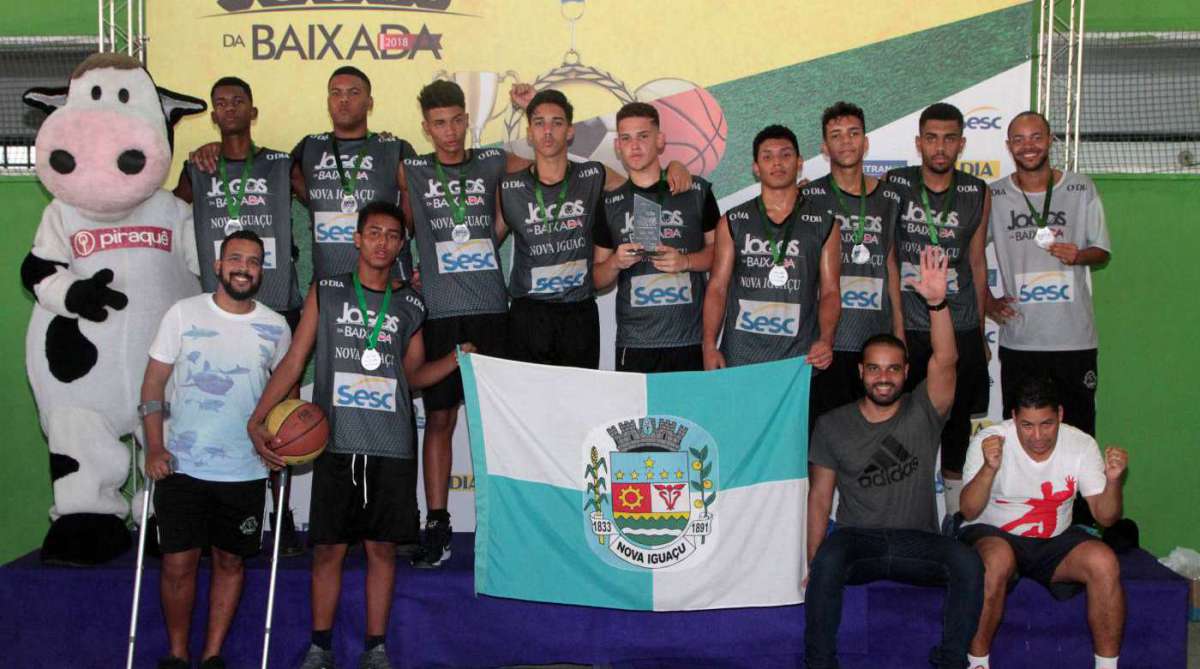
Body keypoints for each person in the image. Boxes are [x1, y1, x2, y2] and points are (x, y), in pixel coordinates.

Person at [246, 202, 473, 669]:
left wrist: (453, 360)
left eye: (392, 235)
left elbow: (411, 376)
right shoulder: (327, 291)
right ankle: (320, 646)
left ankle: (376, 648)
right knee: (328, 548)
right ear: (357, 238)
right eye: (373, 233)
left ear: (400, 245)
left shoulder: (411, 304)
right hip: (337, 444)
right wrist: (259, 417)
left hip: (391, 445)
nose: (382, 242)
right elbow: (294, 360)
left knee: (381, 549)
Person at [806, 246, 983, 669]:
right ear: (860, 372)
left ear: (906, 373)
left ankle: (950, 661)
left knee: (967, 562)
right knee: (828, 559)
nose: (883, 377)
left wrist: (937, 303)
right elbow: (818, 499)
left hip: (916, 541)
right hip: (858, 542)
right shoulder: (832, 425)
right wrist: (814, 561)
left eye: (892, 369)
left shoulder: (924, 410)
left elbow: (947, 359)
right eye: (874, 369)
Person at [140, 231, 292, 669]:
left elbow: (284, 397)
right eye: (236, 258)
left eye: (254, 261)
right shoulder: (183, 314)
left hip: (245, 469)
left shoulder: (276, 326)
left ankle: (212, 656)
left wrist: (279, 443)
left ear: (262, 270)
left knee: (230, 562)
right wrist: (154, 446)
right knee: (177, 565)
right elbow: (153, 383)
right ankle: (176, 654)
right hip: (183, 467)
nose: (244, 267)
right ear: (219, 265)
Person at [174, 75, 305, 556]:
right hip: (220, 312)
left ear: (253, 111)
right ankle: (208, 509)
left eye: (239, 102)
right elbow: (169, 212)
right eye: (221, 103)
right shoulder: (198, 166)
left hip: (278, 305)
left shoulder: (279, 163)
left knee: (282, 414)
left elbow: (325, 202)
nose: (230, 109)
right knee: (224, 407)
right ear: (213, 114)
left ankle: (283, 515)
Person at [399, 80, 521, 568]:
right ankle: (437, 522)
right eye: (439, 123)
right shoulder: (411, 169)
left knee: (494, 422)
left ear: (467, 119)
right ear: (426, 127)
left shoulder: (493, 161)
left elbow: (543, 168)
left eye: (456, 120)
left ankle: (507, 520)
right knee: (441, 420)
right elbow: (402, 223)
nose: (449, 132)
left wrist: (500, 227)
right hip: (440, 313)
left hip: (492, 309)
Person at [496, 89, 692, 368]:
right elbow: (487, 241)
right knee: (530, 407)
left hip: (579, 312)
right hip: (529, 315)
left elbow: (640, 187)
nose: (548, 131)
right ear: (529, 133)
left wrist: (673, 165)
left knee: (582, 406)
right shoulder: (510, 186)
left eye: (557, 123)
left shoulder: (594, 174)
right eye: (539, 123)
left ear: (571, 132)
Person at [958, 374, 1128, 669]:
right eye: (1027, 425)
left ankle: (1107, 666)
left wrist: (1113, 482)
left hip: (1054, 541)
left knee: (1104, 561)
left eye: (1046, 424)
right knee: (996, 559)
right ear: (1014, 418)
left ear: (1060, 415)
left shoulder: (1081, 444)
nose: (1037, 436)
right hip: (994, 534)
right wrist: (989, 468)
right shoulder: (989, 440)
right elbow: (969, 511)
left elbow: (1105, 516)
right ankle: (977, 664)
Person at [886, 103, 991, 515]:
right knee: (902, 425)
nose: (940, 147)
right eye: (931, 138)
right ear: (919, 143)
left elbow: (978, 263)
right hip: (910, 324)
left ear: (961, 143)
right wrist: (895, 325)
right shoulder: (896, 184)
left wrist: (979, 332)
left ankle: (955, 520)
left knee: (957, 425)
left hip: (959, 321)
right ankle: (901, 514)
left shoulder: (976, 191)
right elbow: (889, 255)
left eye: (949, 138)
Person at [986, 111, 1111, 437]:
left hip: (1074, 340)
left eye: (1036, 137)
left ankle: (1076, 492)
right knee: (1020, 436)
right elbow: (968, 255)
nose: (1028, 146)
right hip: (1021, 341)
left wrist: (1079, 255)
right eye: (1019, 139)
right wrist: (987, 301)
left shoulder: (1081, 188)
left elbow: (1102, 251)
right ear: (1009, 146)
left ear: (1050, 140)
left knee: (1078, 435)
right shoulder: (994, 195)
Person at [593, 101, 720, 372]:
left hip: (688, 340)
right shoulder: (609, 202)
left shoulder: (696, 191)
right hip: (636, 344)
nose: (634, 146)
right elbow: (596, 279)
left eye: (643, 136)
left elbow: (719, 255)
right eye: (626, 138)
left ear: (660, 140)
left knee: (687, 416)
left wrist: (686, 262)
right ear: (617, 146)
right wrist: (616, 262)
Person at [701, 124, 840, 370]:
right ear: (756, 167)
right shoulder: (733, 220)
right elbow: (717, 288)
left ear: (799, 162)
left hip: (799, 359)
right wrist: (709, 345)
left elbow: (830, 291)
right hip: (740, 356)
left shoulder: (825, 223)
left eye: (786, 155)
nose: (777, 163)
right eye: (767, 156)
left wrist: (825, 339)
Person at [806, 101, 905, 418]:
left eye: (853, 133)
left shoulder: (890, 198)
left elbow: (891, 266)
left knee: (872, 438)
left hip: (874, 343)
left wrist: (900, 333)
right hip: (827, 345)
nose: (846, 141)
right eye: (836, 135)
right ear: (824, 147)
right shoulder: (809, 198)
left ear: (866, 141)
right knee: (824, 437)